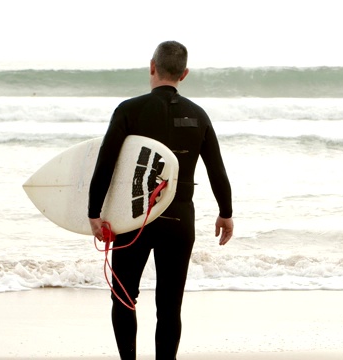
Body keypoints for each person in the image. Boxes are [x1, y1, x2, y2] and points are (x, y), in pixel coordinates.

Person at [88, 40, 234, 360]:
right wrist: (226, 212)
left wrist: (93, 211)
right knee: (170, 306)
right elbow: (216, 169)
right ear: (185, 73)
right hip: (180, 219)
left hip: (134, 218)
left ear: (152, 66)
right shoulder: (198, 115)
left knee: (124, 299)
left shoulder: (129, 110)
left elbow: (106, 162)